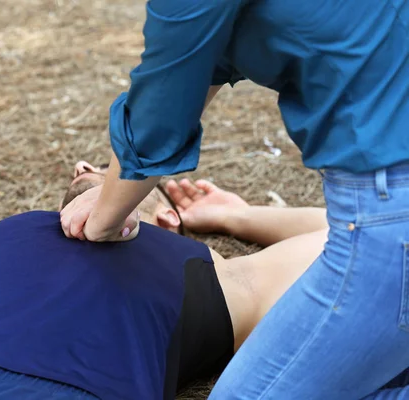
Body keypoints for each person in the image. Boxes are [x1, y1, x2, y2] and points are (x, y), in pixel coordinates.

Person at [59, 0, 409, 398]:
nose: (83, 167)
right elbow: (193, 74)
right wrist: (238, 217)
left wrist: (105, 214)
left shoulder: (235, 279)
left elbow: (160, 107)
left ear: (167, 220)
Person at [0, 161, 333, 399]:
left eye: (118, 167)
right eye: (92, 165)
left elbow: (368, 238)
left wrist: (235, 217)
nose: (89, 165)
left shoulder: (223, 277)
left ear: (168, 218)